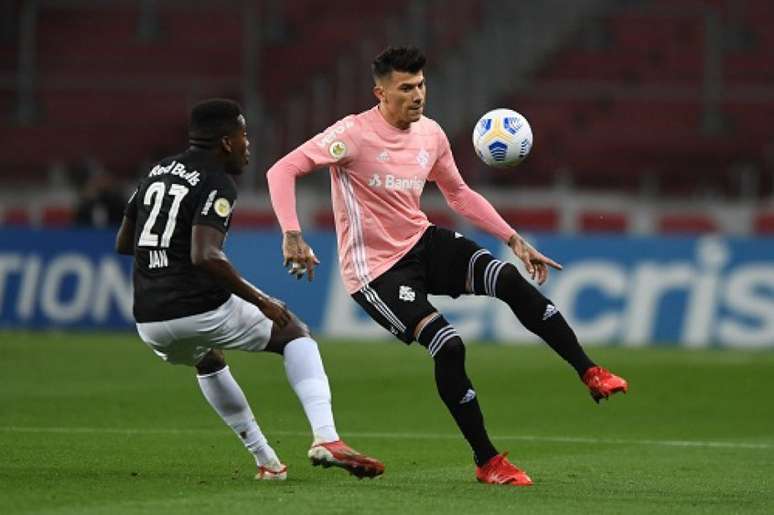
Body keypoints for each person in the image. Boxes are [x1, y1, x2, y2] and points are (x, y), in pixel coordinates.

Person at [266, 47, 628, 486]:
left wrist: (512, 239)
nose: (418, 95)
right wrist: (292, 232)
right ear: (380, 92)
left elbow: (457, 194)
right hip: (377, 272)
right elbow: (282, 170)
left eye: (421, 85)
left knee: (507, 278)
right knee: (449, 345)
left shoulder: (431, 134)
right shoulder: (353, 135)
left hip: (422, 241)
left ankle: (589, 371)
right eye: (406, 88)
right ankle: (488, 461)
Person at [115, 98, 383, 481]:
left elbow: (125, 243)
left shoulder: (157, 172)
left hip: (149, 320)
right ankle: (327, 436)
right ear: (226, 142)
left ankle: (268, 462)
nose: (248, 145)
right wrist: (263, 302)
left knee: (207, 358)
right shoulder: (216, 181)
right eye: (243, 136)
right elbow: (205, 255)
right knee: (293, 332)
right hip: (199, 307)